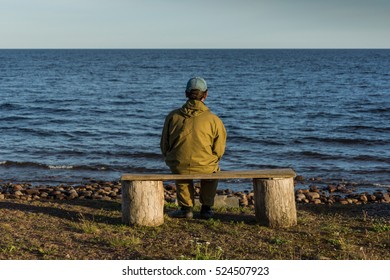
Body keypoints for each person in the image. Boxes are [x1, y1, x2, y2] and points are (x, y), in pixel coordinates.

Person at [160, 77, 227, 219]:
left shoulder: (173, 116)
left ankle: (186, 209)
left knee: (180, 167)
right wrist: (213, 159)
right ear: (206, 94)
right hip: (206, 165)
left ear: (186, 94)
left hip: (179, 164)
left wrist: (170, 156)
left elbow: (164, 145)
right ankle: (206, 208)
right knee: (213, 171)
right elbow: (219, 149)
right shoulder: (214, 119)